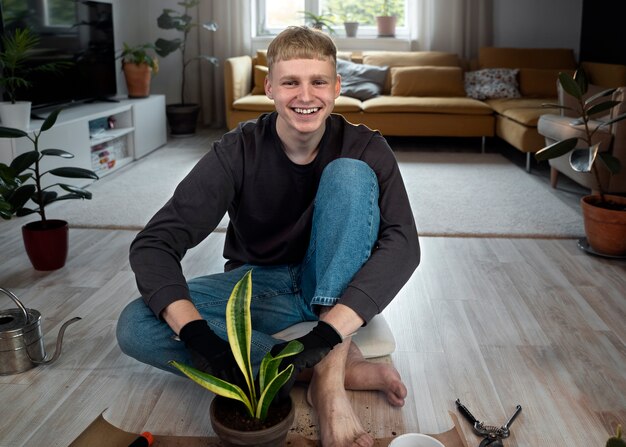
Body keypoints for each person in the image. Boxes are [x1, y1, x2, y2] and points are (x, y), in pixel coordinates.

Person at [116, 25, 420, 447]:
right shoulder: (237, 150)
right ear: (270, 88)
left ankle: (328, 388)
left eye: (318, 82)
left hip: (329, 280)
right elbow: (155, 243)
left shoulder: (365, 146)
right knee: (135, 325)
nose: (305, 96)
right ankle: (321, 367)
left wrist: (327, 331)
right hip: (260, 288)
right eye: (290, 82)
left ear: (336, 87)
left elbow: (403, 245)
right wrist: (200, 338)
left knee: (348, 174)